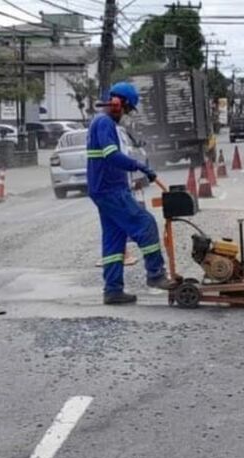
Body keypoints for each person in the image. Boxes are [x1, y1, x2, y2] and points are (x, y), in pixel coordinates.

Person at [87, 82, 175, 305]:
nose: (125, 114)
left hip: (105, 188)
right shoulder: (104, 123)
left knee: (114, 240)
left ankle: (113, 290)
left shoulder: (102, 122)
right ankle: (156, 275)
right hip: (110, 189)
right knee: (145, 224)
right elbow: (111, 156)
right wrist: (139, 166)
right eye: (127, 109)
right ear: (119, 103)